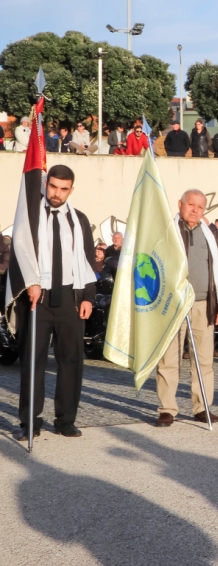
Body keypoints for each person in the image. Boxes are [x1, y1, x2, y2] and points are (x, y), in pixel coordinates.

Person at [9, 165, 96, 441]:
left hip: (70, 298)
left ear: (71, 189)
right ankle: (30, 423)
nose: (57, 193)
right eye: (53, 186)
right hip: (38, 298)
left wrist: (88, 298)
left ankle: (65, 419)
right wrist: (29, 281)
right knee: (33, 361)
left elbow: (87, 260)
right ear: (46, 185)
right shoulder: (30, 216)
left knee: (71, 360)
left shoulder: (79, 220)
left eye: (63, 188)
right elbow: (20, 253)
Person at [154, 189, 218, 427]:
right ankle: (167, 409)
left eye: (200, 207)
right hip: (173, 304)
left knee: (203, 360)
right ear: (180, 204)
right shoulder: (166, 231)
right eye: (191, 205)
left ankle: (202, 406)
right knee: (169, 359)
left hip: (204, 305)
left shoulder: (212, 234)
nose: (196, 210)